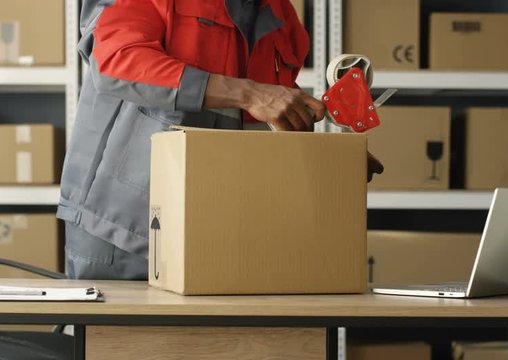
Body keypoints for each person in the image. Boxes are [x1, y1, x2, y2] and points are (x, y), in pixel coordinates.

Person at [58, 0, 384, 280]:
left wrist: (327, 158)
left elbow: (262, 121)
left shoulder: (281, 18)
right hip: (122, 229)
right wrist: (249, 93)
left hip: (215, 233)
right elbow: (114, 60)